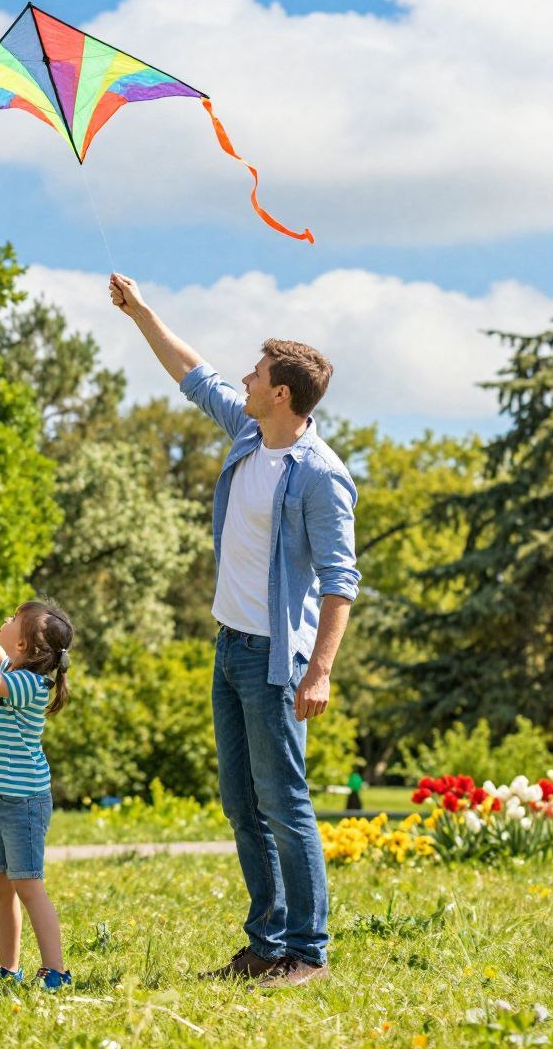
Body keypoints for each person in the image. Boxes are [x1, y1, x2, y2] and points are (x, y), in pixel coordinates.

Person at [109, 273, 359, 988]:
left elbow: (341, 581)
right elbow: (194, 373)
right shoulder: (250, 432)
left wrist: (321, 669)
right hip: (228, 648)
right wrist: (143, 315)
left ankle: (305, 952)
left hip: (278, 662)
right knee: (242, 804)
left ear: (282, 393)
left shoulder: (320, 476)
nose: (244, 380)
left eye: (257, 373)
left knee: (285, 803)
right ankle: (265, 941)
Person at [0, 585, 75, 991]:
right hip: (0, 797)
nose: (2, 622)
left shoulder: (28, 685)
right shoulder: (17, 670)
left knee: (28, 884)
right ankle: (8, 968)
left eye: (11, 619)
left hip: (23, 803)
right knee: (0, 885)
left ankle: (55, 970)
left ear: (23, 644)